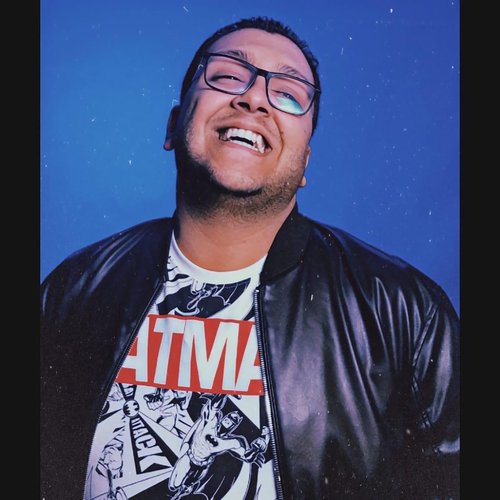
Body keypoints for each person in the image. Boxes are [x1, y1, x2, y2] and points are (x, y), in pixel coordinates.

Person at [40, 16, 460, 500]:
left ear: (304, 163)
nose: (255, 98)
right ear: (173, 126)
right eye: (227, 75)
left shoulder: (405, 314)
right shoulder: (73, 291)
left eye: (288, 93)